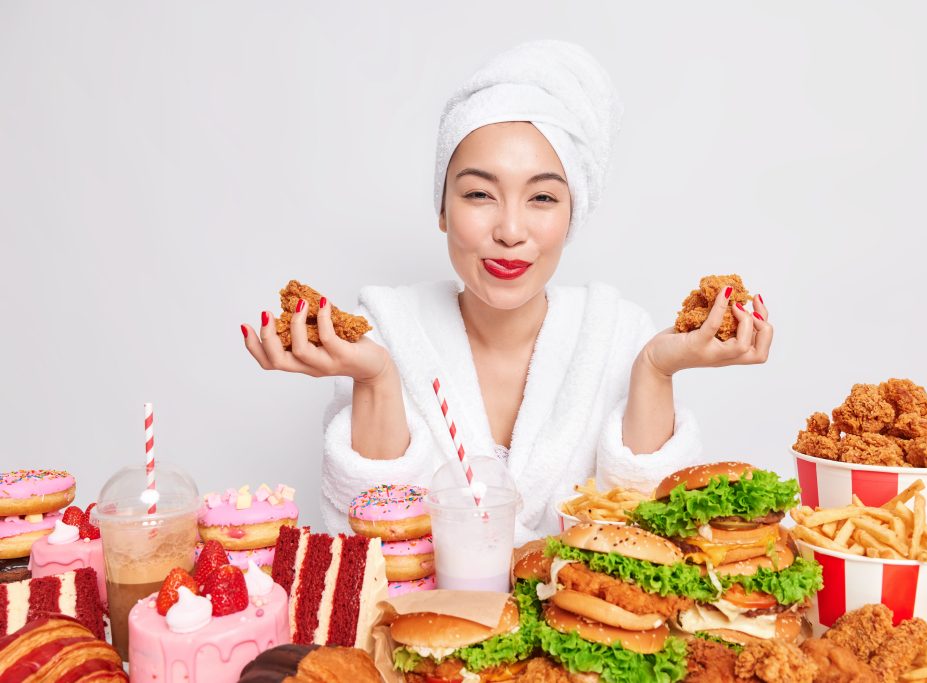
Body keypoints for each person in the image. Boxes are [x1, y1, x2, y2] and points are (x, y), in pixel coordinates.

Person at [241, 40, 773, 543]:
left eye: (542, 197)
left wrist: (655, 369)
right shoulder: (388, 331)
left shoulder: (617, 334)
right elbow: (369, 544)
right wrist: (376, 378)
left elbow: (651, 534)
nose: (511, 230)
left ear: (572, 216)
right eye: (479, 193)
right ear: (443, 210)